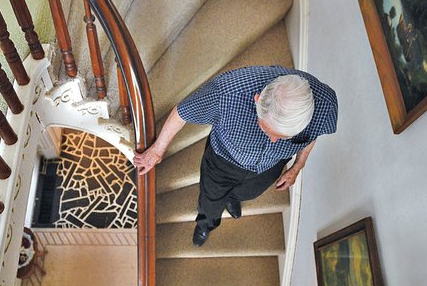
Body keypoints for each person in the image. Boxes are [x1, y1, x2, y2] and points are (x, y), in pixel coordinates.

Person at [133, 66, 338, 247]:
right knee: (210, 201)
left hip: (269, 167)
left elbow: (314, 135)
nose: (275, 141)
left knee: (249, 193)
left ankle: (233, 198)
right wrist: (157, 150)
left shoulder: (325, 105)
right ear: (257, 101)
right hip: (223, 161)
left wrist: (297, 166)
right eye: (268, 131)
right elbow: (182, 111)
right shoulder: (228, 92)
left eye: (284, 137)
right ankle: (207, 224)